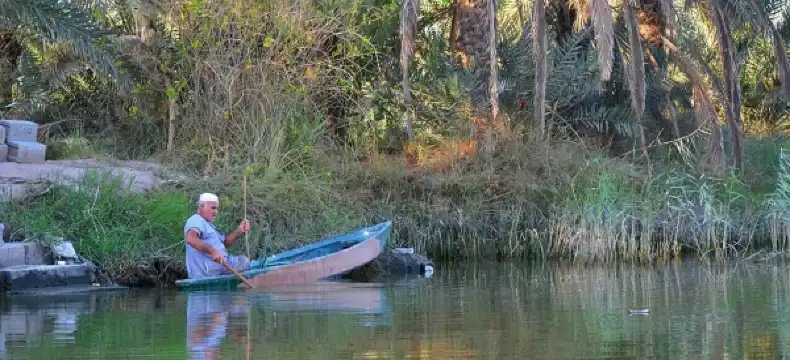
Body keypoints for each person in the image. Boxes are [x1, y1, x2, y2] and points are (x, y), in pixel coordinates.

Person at [184, 192, 251, 279]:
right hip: (208, 270)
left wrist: (239, 231)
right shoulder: (196, 220)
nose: (215, 212)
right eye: (213, 208)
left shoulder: (209, 225)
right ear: (202, 206)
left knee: (243, 260)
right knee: (244, 261)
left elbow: (225, 244)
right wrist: (213, 251)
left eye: (217, 209)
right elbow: (190, 239)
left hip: (218, 266)